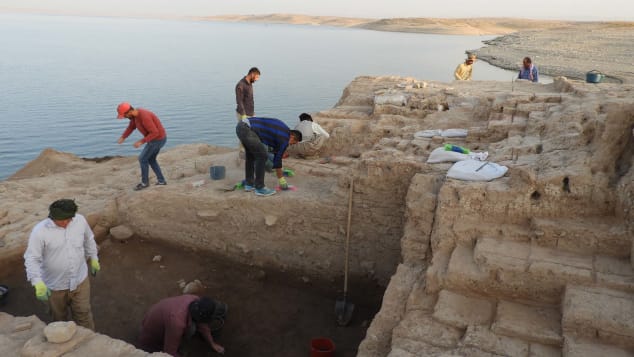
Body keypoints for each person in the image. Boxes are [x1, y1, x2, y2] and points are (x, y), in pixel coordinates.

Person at [23, 199, 100, 330]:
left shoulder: (80, 221)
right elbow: (31, 258)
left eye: (68, 219)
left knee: (84, 314)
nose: (65, 223)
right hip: (54, 287)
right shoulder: (40, 231)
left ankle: (88, 339)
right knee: (59, 319)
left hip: (80, 281)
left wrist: (94, 258)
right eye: (61, 220)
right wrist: (37, 283)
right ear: (52, 217)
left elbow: (89, 240)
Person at [139, 295, 226, 356]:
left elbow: (203, 325)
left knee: (192, 328)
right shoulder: (177, 323)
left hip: (161, 319)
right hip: (151, 339)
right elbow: (169, 353)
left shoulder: (195, 299)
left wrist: (212, 343)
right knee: (191, 330)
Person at [236, 117, 302, 196]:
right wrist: (281, 179)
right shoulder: (285, 137)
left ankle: (249, 184)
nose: (290, 145)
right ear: (292, 137)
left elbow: (274, 153)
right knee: (262, 156)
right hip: (247, 129)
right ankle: (260, 188)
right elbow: (277, 160)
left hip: (241, 126)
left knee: (251, 156)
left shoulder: (282, 131)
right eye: (293, 143)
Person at [116, 102, 168, 191]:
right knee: (151, 160)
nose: (124, 118)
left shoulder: (144, 117)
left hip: (158, 139)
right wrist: (123, 137)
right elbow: (131, 127)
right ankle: (161, 181)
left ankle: (144, 183)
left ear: (129, 112)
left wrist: (141, 141)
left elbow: (155, 132)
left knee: (142, 159)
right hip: (155, 139)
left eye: (124, 116)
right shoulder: (134, 117)